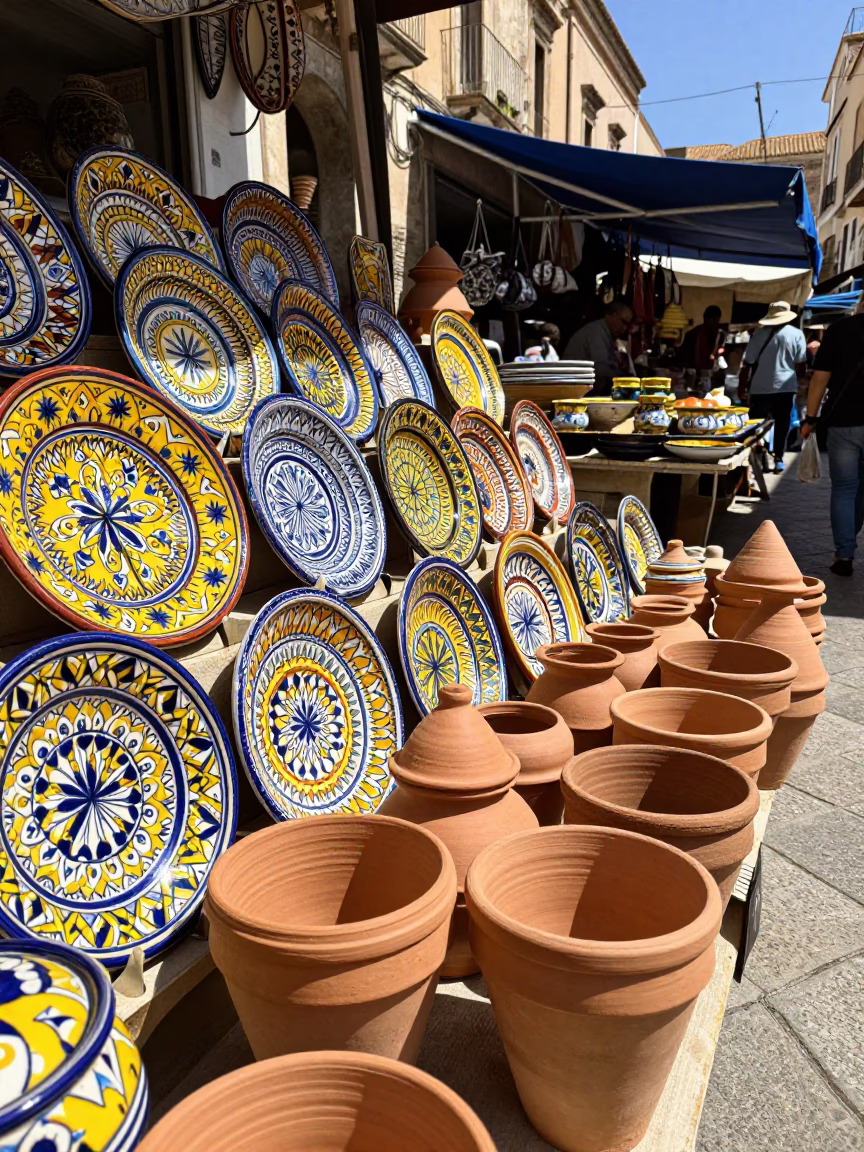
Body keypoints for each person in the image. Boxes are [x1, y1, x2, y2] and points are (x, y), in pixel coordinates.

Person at [802, 309, 864, 576]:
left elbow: (819, 379)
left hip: (844, 423)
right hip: (845, 424)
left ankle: (844, 555)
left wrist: (810, 418)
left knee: (844, 489)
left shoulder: (840, 329)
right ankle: (849, 534)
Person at [738, 301, 807, 474]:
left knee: (755, 425)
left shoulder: (758, 334)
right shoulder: (797, 334)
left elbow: (748, 364)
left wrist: (741, 388)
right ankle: (778, 458)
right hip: (786, 387)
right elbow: (801, 366)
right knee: (782, 423)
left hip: (760, 387)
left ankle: (751, 458)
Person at [563, 299, 634, 394]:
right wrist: (625, 377)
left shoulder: (608, 335)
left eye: (627, 325)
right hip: (575, 388)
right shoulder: (596, 332)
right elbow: (602, 369)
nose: (624, 328)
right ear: (612, 315)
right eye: (623, 322)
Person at [677, 305, 726, 372]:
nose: (713, 323)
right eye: (711, 319)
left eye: (715, 320)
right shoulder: (692, 334)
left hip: (708, 370)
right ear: (705, 318)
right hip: (693, 370)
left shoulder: (719, 335)